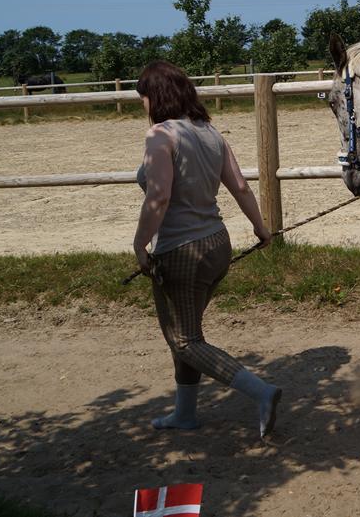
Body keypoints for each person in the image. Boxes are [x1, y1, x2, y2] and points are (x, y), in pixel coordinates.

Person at [133, 60, 281, 439]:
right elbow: (242, 188)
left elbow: (159, 196)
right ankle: (184, 414)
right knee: (187, 332)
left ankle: (261, 392)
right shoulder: (210, 133)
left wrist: (139, 244)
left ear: (156, 96)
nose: (142, 104)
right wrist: (261, 229)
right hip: (217, 246)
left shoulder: (160, 136)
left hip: (181, 252)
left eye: (144, 96)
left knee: (185, 340)